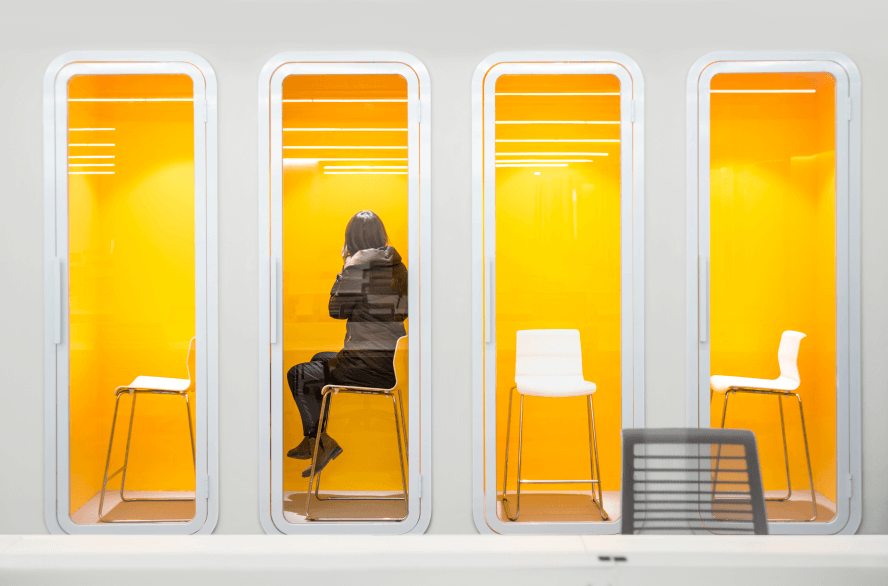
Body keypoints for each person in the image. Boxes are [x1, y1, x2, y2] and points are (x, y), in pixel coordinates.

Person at [286, 210, 408, 478]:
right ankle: (316, 440)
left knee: (297, 374)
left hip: (366, 365)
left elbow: (336, 310)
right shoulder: (398, 266)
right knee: (319, 358)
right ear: (381, 235)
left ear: (351, 239)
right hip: (390, 362)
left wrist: (345, 269)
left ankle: (319, 442)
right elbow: (404, 310)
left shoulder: (357, 267)